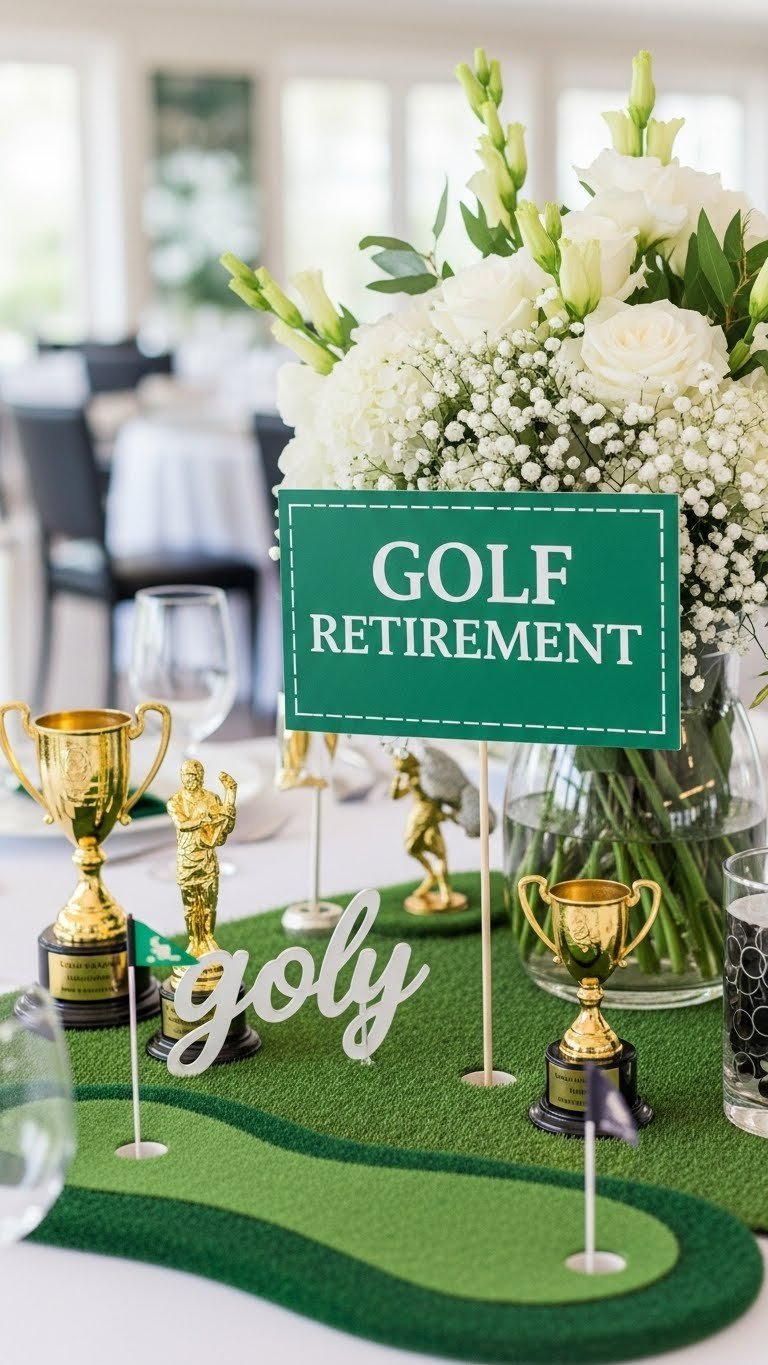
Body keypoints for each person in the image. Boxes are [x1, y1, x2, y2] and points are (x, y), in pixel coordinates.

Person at [166, 759, 237, 986]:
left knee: (208, 904)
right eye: (186, 775)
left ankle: (207, 941)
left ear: (201, 777)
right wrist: (204, 818)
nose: (190, 779)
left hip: (207, 860)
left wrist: (230, 796)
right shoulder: (175, 801)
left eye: (194, 775)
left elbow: (223, 827)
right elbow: (182, 824)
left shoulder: (211, 798)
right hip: (186, 861)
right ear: (181, 777)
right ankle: (194, 942)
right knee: (190, 907)